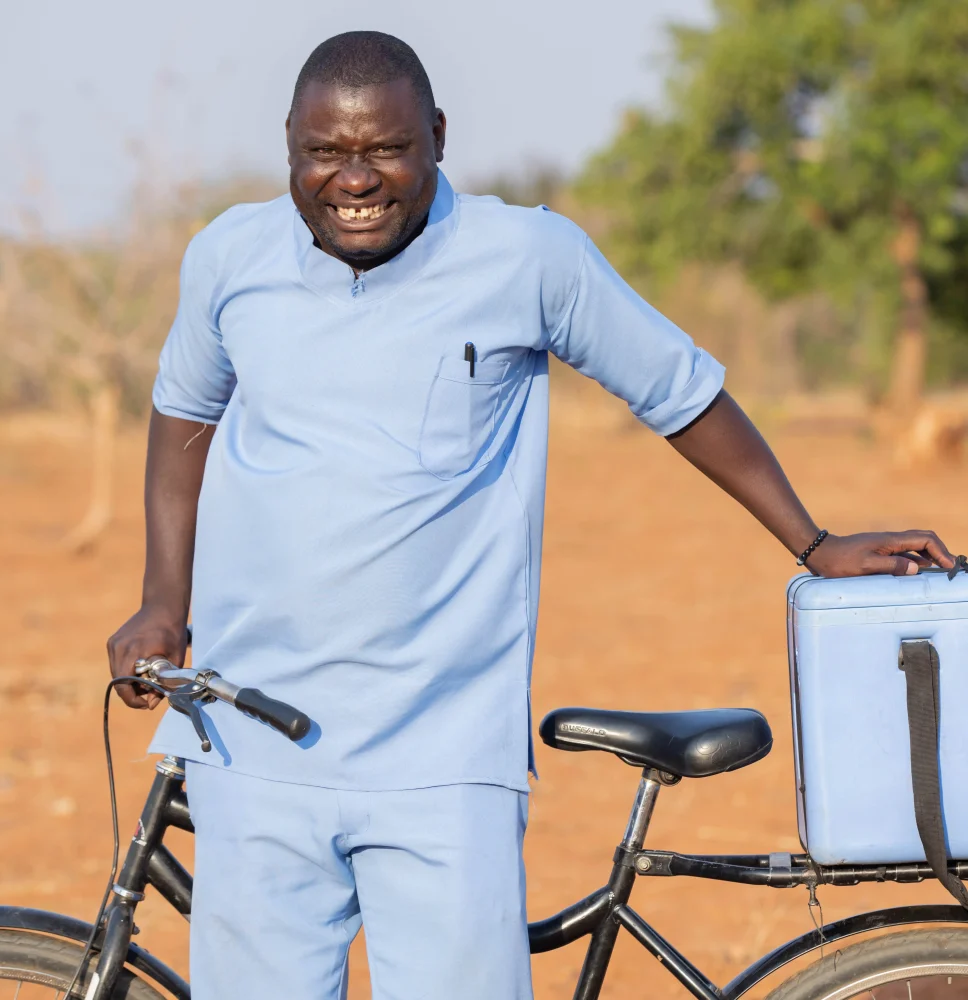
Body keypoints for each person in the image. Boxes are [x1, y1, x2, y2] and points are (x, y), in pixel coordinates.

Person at [107, 30, 955, 1000]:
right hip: (245, 739)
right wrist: (159, 599)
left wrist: (811, 539)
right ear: (289, 145)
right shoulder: (228, 256)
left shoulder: (526, 255)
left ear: (435, 135)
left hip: (440, 756)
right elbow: (184, 409)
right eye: (323, 152)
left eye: (383, 149)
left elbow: (679, 394)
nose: (353, 179)